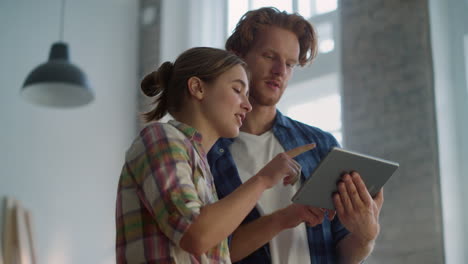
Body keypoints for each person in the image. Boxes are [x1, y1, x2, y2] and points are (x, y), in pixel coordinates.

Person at [208, 7, 384, 264]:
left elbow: (343, 255)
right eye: (269, 56)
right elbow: (204, 252)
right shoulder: (206, 152)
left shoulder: (321, 146)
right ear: (237, 58)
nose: (280, 70)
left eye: (290, 64)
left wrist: (365, 236)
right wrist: (282, 219)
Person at [115, 47, 318, 263]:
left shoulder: (198, 161)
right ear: (197, 88)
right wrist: (263, 179)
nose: (248, 106)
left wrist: (289, 216)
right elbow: (195, 235)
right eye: (237, 90)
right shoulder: (160, 137)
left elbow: (210, 251)